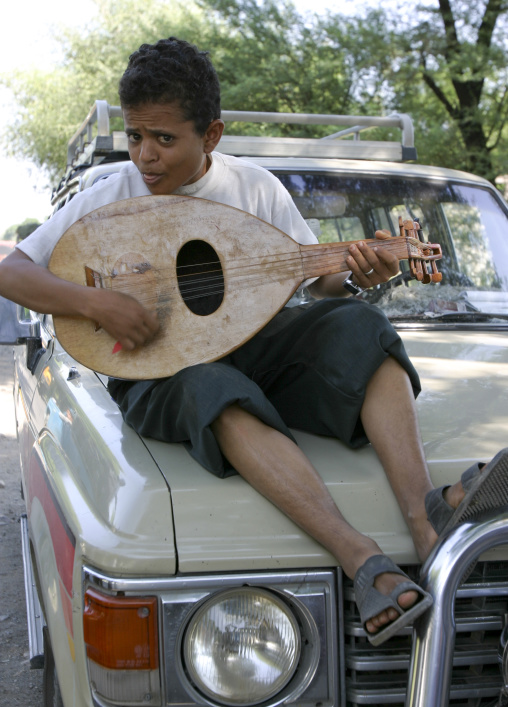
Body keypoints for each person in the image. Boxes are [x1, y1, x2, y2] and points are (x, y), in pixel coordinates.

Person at [1, 37, 507, 646]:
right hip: (158, 371)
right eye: (136, 136)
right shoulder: (110, 194)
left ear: (211, 135)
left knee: (362, 325)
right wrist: (94, 301)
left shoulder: (256, 190)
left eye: (165, 139)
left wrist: (362, 268)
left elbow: (318, 280)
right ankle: (361, 559)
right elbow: (13, 269)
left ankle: (428, 518)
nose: (146, 156)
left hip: (255, 350)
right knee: (213, 383)